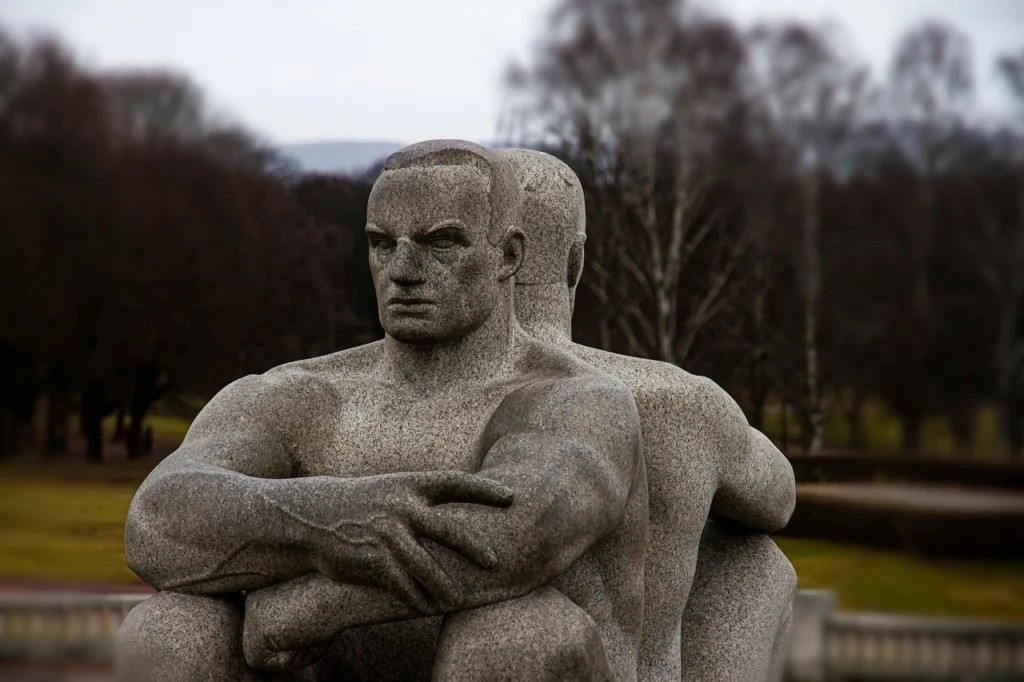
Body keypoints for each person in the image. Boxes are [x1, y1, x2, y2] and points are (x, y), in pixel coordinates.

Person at [116, 140, 648, 682]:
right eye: (381, 244)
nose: (403, 270)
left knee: (526, 636)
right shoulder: (295, 392)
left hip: (487, 661)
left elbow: (515, 535)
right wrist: (332, 517)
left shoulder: (574, 399)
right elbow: (157, 521)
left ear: (508, 256)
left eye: (441, 243)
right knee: (167, 630)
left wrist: (309, 607)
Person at [495, 147, 797, 681]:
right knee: (756, 561)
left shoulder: (388, 404)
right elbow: (777, 498)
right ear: (576, 261)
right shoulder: (671, 400)